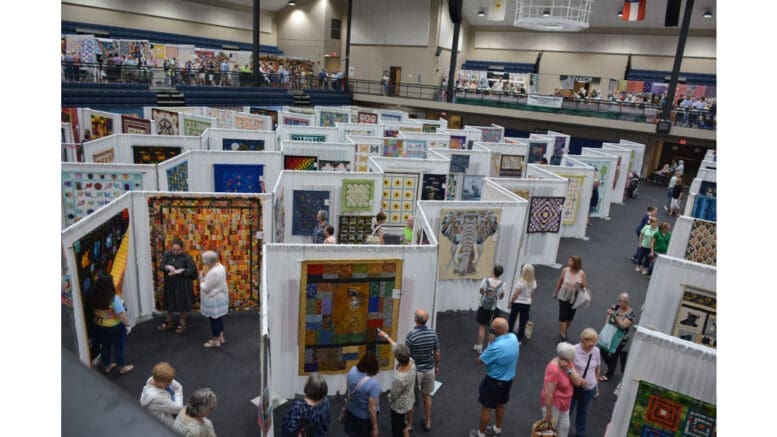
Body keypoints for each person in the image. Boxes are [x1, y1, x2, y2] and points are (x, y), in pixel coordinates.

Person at [468, 317, 519, 437]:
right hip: (508, 380)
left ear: (500, 330)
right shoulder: (513, 337)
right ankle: (497, 430)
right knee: (500, 405)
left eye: (493, 327)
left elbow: (479, 360)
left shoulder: (496, 347)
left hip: (494, 382)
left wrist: (490, 344)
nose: (491, 328)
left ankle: (480, 434)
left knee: (486, 407)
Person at [87, 273, 134, 375]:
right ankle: (122, 367)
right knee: (119, 346)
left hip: (99, 324)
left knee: (105, 346)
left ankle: (107, 366)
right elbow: (121, 315)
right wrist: (127, 325)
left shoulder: (92, 294)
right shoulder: (113, 298)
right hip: (114, 326)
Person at [404, 309, 440, 432]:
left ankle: (409, 424)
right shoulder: (433, 333)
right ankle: (428, 422)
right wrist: (437, 366)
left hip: (415, 371)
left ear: (416, 319)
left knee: (411, 398)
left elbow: (406, 355)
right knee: (427, 395)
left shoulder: (411, 335)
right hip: (429, 369)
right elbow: (437, 353)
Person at [376, 332, 416, 437]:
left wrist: (389, 399)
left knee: (398, 428)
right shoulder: (412, 362)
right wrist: (386, 336)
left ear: (398, 359)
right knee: (403, 425)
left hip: (399, 407)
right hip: (409, 399)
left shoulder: (399, 378)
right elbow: (397, 347)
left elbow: (394, 395)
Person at [540, 342, 585, 437]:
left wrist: (567, 370)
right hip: (554, 404)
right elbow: (548, 393)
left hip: (565, 403)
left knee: (565, 427)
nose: (574, 357)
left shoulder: (568, 363)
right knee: (550, 430)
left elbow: (577, 382)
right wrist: (548, 413)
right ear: (566, 357)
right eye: (573, 356)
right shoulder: (553, 370)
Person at [158, 238, 198, 335]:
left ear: (182, 249)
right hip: (170, 284)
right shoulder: (167, 254)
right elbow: (161, 265)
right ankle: (169, 321)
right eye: (174, 249)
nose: (175, 252)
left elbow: (192, 271)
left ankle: (182, 322)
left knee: (182, 302)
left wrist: (181, 271)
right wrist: (167, 267)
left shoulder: (186, 257)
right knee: (170, 302)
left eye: (178, 250)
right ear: (171, 248)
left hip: (182, 284)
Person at [569, 329, 602, 437]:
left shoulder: (596, 351)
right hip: (573, 387)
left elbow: (597, 369)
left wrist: (596, 385)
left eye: (595, 342)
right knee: (567, 412)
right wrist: (576, 379)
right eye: (592, 342)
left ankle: (580, 434)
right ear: (583, 340)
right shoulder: (573, 351)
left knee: (582, 412)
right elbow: (566, 369)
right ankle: (562, 431)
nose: (594, 345)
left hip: (589, 388)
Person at [599, 293, 636, 382]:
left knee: (614, 355)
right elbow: (608, 316)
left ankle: (609, 374)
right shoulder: (615, 306)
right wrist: (607, 324)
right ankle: (610, 366)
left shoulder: (631, 313)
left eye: (624, 301)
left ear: (628, 302)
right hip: (610, 333)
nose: (622, 303)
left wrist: (615, 316)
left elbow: (623, 326)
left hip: (620, 337)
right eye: (620, 300)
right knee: (603, 350)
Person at [343, 352, 382, 437]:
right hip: (364, 419)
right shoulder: (373, 384)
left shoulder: (352, 370)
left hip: (350, 412)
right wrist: (375, 428)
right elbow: (372, 409)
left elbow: (348, 391)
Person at [281, 373, 330, 437]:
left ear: (308, 386)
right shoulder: (325, 402)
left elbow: (288, 432)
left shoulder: (298, 409)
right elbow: (325, 424)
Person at [552, 256, 587, 342]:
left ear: (575, 263)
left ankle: (564, 329)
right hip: (563, 295)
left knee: (570, 318)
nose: (568, 262)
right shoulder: (565, 270)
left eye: (570, 261)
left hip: (574, 297)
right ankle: (563, 335)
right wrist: (555, 292)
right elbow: (560, 281)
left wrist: (580, 285)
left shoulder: (581, 273)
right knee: (563, 316)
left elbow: (585, 285)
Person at [140, 362, 184, 428]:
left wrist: (177, 388)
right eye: (168, 382)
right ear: (159, 381)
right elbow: (178, 408)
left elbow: (176, 384)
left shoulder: (152, 378)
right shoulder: (157, 397)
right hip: (162, 420)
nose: (171, 383)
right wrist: (178, 392)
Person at [199, 251, 229, 348]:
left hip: (213, 300)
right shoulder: (221, 267)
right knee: (218, 318)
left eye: (205, 261)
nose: (204, 263)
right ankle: (221, 337)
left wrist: (201, 279)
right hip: (220, 298)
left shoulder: (213, 272)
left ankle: (216, 340)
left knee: (214, 320)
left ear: (209, 262)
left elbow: (206, 288)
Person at [474, 265, 506, 354]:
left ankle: (479, 347)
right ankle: (489, 349)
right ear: (501, 274)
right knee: (493, 328)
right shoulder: (503, 284)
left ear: (493, 271)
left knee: (482, 326)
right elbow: (502, 297)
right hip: (495, 308)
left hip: (484, 306)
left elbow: (481, 291)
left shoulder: (486, 280)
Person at [507, 264, 536, 343]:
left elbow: (515, 295)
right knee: (523, 322)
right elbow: (531, 294)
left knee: (512, 319)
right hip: (526, 303)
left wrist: (510, 302)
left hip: (517, 303)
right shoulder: (533, 282)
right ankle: (519, 339)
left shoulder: (520, 283)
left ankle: (508, 336)